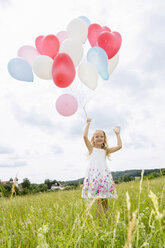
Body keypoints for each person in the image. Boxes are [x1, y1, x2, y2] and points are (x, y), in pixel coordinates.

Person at [81, 117, 122, 223]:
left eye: (101, 136)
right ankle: (100, 223)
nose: (99, 138)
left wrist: (117, 134)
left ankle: (107, 221)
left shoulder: (105, 150)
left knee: (105, 200)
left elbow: (119, 146)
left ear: (104, 139)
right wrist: (88, 123)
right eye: (97, 136)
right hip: (95, 177)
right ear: (93, 139)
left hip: (104, 177)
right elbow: (84, 136)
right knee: (98, 200)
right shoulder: (91, 149)